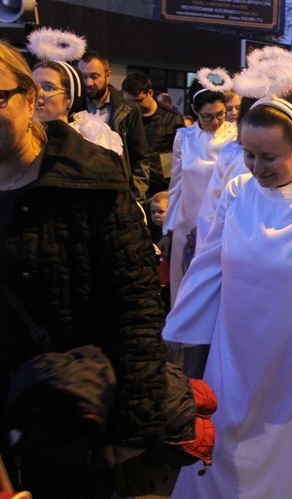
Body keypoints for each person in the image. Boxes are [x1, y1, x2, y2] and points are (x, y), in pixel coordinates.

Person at [161, 96, 292, 498]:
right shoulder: (239, 191)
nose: (257, 168)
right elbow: (209, 263)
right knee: (224, 449)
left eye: (270, 157)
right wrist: (178, 331)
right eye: (250, 154)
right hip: (234, 358)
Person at [0, 40, 167, 499]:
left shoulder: (89, 175)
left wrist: (134, 420)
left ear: (30, 99)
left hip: (68, 414)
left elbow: (134, 302)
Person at [159, 78, 235, 310]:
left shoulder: (235, 136)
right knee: (185, 286)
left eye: (221, 114)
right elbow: (176, 184)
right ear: (194, 110)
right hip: (187, 220)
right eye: (207, 116)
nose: (216, 121)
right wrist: (169, 230)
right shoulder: (184, 137)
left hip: (222, 220)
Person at [78, 51, 151, 205]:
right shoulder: (73, 107)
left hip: (118, 195)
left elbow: (141, 157)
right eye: (83, 76)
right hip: (81, 193)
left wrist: (136, 199)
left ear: (108, 75)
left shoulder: (128, 109)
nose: (88, 83)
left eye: (94, 76)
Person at [122, 71, 184, 196]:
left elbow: (182, 156)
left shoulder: (172, 118)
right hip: (133, 185)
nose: (134, 106)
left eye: (139, 101)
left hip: (162, 188)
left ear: (150, 93)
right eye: (130, 102)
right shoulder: (124, 117)